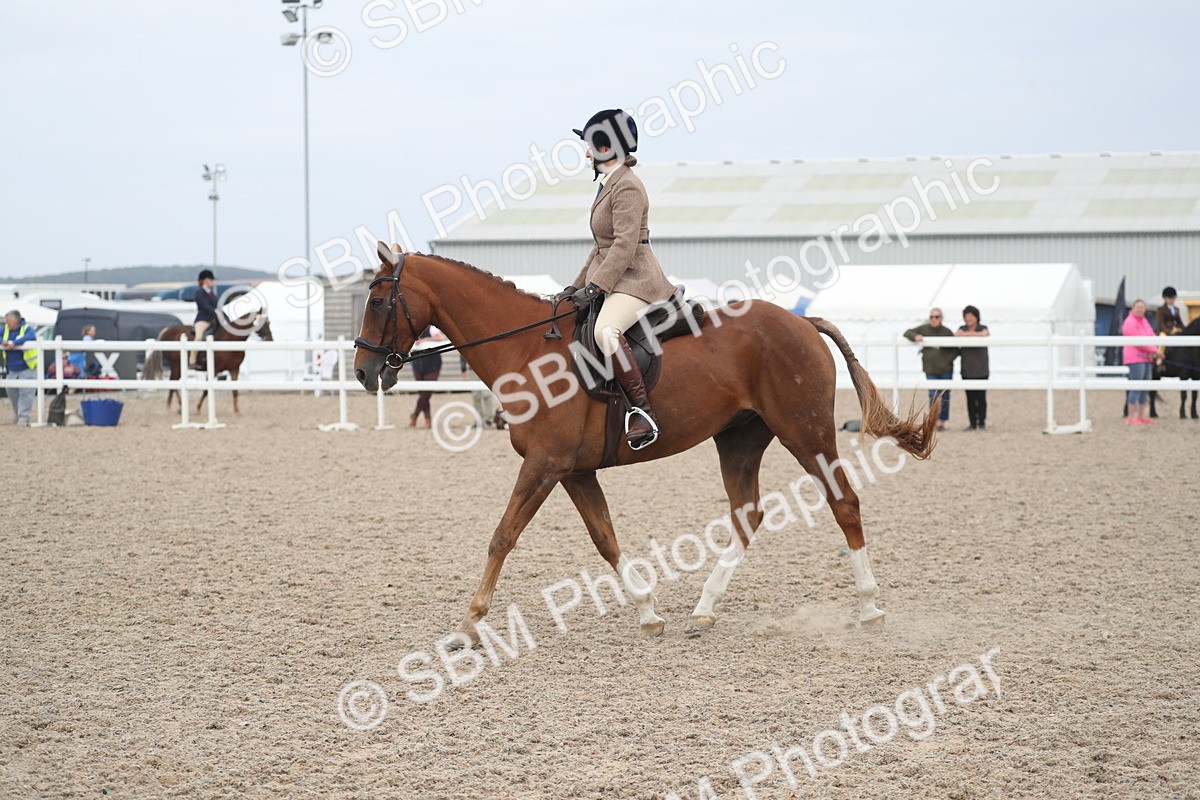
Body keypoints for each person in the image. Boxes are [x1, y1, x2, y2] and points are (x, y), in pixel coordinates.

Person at [552, 109, 675, 449]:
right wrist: (573, 289)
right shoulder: (608, 185)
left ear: (607, 149)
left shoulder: (628, 188)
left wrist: (597, 288)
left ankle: (640, 411)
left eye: (591, 146)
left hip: (637, 280)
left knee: (605, 331)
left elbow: (623, 246)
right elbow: (600, 248)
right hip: (616, 276)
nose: (586, 152)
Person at [904, 309, 959, 431]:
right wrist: (915, 336)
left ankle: (942, 421)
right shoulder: (924, 328)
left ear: (941, 318)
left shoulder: (947, 332)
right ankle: (933, 419)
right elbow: (907, 332)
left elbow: (956, 350)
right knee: (933, 395)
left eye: (937, 317)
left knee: (945, 395)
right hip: (930, 369)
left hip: (945, 369)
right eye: (932, 317)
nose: (934, 319)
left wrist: (947, 360)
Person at [954, 305, 990, 430]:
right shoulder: (961, 328)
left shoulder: (983, 327)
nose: (968, 318)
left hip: (981, 369)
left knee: (981, 397)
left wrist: (967, 334)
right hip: (967, 369)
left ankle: (982, 422)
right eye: (966, 316)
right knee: (970, 398)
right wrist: (971, 334)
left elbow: (984, 334)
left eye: (971, 316)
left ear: (976, 317)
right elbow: (956, 335)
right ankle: (972, 423)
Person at [1122, 299, 1158, 425]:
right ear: (1133, 308)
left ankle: (1142, 416)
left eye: (1142, 307)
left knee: (1145, 388)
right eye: (1138, 307)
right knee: (1136, 387)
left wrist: (1153, 348)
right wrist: (1154, 350)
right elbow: (1136, 340)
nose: (1140, 310)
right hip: (1135, 358)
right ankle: (1131, 417)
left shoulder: (1144, 321)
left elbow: (1152, 335)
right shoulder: (1129, 322)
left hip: (1146, 358)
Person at [2, 310, 39, 425]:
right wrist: (2, 341)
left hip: (27, 367)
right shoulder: (6, 330)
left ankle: (23, 417)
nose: (6, 324)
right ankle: (18, 415)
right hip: (12, 368)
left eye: (8, 321)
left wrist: (16, 342)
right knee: (12, 392)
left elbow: (32, 336)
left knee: (26, 393)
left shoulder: (26, 328)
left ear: (16, 321)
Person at [409, 326, 447, 427]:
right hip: (417, 365)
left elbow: (441, 338)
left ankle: (415, 415)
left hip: (432, 365)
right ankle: (427, 419)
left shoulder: (431, 328)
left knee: (426, 392)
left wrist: (424, 340)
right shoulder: (411, 328)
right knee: (423, 393)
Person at [191, 270, 218, 368]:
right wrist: (215, 313)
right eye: (211, 280)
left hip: (213, 320)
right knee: (198, 337)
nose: (212, 282)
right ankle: (192, 360)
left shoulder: (211, 293)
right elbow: (205, 306)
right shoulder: (200, 293)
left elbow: (216, 304)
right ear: (206, 280)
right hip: (203, 320)